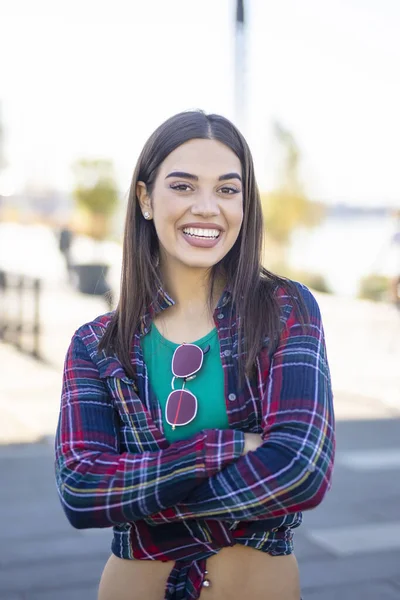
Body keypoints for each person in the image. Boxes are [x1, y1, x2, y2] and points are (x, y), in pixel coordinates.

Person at [55, 110, 335, 600]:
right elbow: (82, 490)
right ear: (145, 198)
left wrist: (140, 497)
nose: (207, 207)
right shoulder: (97, 344)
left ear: (245, 205)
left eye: (228, 190)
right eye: (183, 186)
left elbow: (301, 469)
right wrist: (228, 446)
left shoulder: (285, 309)